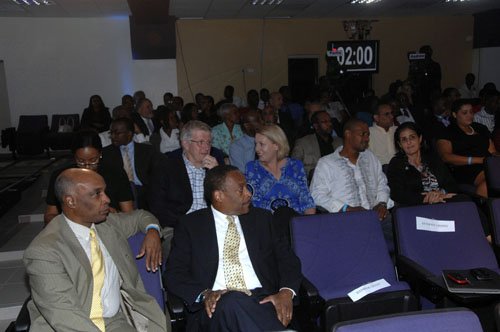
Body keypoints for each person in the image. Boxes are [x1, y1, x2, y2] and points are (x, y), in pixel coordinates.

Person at [25, 168, 169, 332]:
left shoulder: (107, 225)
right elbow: (64, 316)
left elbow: (140, 216)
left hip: (113, 322)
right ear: (71, 201)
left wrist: (152, 231)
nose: (107, 199)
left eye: (105, 192)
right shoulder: (44, 251)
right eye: (97, 194)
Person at [165, 165, 302, 331]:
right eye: (240, 190)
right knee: (233, 299)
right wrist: (204, 294)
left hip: (263, 302)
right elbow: (174, 274)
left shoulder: (263, 220)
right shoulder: (191, 226)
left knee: (241, 304)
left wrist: (286, 292)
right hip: (215, 308)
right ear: (219, 196)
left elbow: (288, 260)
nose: (248, 193)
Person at [310, 119, 394, 248]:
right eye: (362, 134)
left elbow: (382, 184)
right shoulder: (327, 163)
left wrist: (381, 204)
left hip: (375, 217)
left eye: (368, 135)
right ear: (348, 134)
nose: (366, 138)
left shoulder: (370, 157)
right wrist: (346, 209)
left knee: (404, 232)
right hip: (346, 220)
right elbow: (317, 195)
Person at [44, 130, 134, 224]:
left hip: (108, 226)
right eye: (81, 161)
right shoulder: (61, 176)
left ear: (100, 154)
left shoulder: (116, 173)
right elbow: (50, 216)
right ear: (74, 157)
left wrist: (113, 214)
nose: (87, 166)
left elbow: (129, 214)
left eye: (93, 160)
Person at [245, 125, 315, 215]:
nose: (257, 149)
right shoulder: (252, 168)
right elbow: (254, 203)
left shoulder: (295, 166)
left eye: (261, 144)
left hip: (295, 222)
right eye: (256, 144)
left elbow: (306, 200)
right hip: (268, 223)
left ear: (276, 146)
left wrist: (308, 224)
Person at [436, 99, 497, 197]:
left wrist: (494, 158)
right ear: (455, 115)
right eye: (465, 113)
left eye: (471, 112)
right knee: (491, 181)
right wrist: (477, 160)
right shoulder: (448, 132)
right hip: (466, 167)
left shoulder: (480, 128)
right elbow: (445, 156)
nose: (470, 115)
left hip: (488, 163)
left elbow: (492, 151)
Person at [387, 122, 459, 206]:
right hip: (416, 206)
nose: (409, 142)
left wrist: (440, 193)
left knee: (465, 200)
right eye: (404, 139)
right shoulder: (396, 163)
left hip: (443, 200)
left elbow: (452, 184)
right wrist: (427, 198)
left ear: (420, 139)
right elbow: (397, 194)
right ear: (400, 144)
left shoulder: (432, 158)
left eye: (412, 137)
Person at [101, 117, 162, 209]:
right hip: (119, 195)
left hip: (145, 192)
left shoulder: (147, 151)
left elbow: (157, 176)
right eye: (111, 133)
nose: (113, 136)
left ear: (129, 134)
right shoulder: (106, 153)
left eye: (117, 133)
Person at [292, 110, 342, 179]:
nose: (330, 124)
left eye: (330, 121)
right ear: (316, 126)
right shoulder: (303, 143)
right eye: (325, 122)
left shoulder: (339, 142)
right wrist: (310, 173)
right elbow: (293, 168)